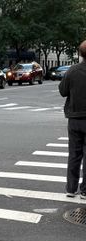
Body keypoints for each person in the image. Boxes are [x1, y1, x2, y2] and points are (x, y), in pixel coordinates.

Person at [59, 41, 86, 200]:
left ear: (80, 54)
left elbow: (63, 91)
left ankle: (71, 188)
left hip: (75, 118)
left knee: (74, 154)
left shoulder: (72, 70)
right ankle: (85, 190)